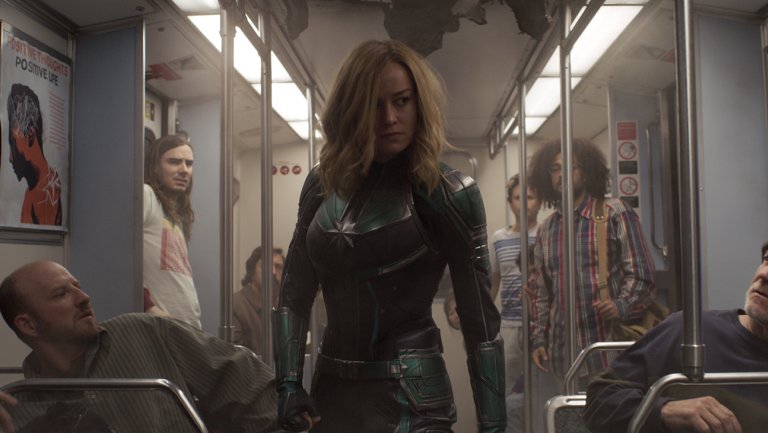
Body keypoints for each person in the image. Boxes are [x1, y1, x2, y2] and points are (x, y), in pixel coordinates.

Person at [273, 40, 505, 433]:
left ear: (419, 104)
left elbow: (480, 322)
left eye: (401, 101)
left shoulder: (449, 192)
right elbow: (294, 293)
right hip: (332, 395)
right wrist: (288, 384)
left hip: (414, 402)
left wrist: (494, 426)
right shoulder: (321, 184)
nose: (389, 118)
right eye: (374, 105)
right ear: (352, 108)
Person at [0, 260, 280, 433]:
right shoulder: (18, 410)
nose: (83, 297)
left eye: (78, 287)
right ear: (28, 325)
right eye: (61, 294)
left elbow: (250, 384)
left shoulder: (146, 332)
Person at [584, 241, 768, 433]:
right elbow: (599, 401)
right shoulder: (691, 332)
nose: (764, 274)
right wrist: (663, 410)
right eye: (766, 260)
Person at [527, 138, 655, 382]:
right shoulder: (546, 229)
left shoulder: (614, 213)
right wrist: (539, 339)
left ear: (586, 171)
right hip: (562, 357)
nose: (562, 174)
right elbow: (542, 293)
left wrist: (621, 305)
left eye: (571, 166)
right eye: (555, 168)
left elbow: (642, 275)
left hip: (609, 352)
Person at [489, 174, 540, 404]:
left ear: (539, 202)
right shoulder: (498, 239)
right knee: (505, 388)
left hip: (540, 325)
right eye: (518, 198)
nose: (524, 203)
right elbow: (493, 283)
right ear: (510, 202)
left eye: (530, 197)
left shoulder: (546, 233)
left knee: (540, 387)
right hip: (509, 325)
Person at [143, 134, 202, 328]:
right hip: (159, 327)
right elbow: (117, 254)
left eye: (189, 164)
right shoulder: (147, 196)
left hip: (187, 325)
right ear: (155, 166)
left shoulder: (177, 215)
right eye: (174, 162)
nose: (184, 170)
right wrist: (147, 306)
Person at [7, 83, 62, 226]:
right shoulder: (34, 190)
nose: (10, 158)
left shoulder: (46, 190)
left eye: (13, 143)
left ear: (30, 134)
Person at [233, 246, 286, 354]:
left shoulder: (285, 306)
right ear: (252, 271)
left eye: (279, 267)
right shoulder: (236, 305)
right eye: (265, 265)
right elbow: (235, 356)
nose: (273, 272)